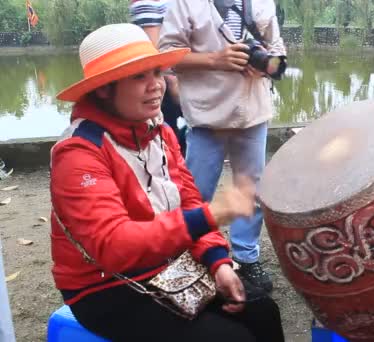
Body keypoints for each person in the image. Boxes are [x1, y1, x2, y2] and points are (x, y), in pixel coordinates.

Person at [50, 23, 284, 341]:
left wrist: (218, 262)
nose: (156, 86)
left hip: (166, 265)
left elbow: (189, 200)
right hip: (105, 286)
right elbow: (114, 246)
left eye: (157, 73)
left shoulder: (160, 132)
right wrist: (210, 215)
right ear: (104, 88)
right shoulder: (78, 154)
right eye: (138, 77)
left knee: (262, 310)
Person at [159, 0, 286, 292]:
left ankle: (245, 256)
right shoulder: (185, 4)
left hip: (252, 111)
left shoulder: (262, 3)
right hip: (207, 115)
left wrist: (267, 66)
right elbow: (166, 56)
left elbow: (278, 51)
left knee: (250, 189)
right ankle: (190, 252)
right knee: (196, 191)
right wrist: (216, 59)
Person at [129, 0, 186, 153]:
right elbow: (154, 51)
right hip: (167, 82)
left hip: (186, 77)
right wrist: (173, 84)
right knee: (165, 140)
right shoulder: (148, 2)